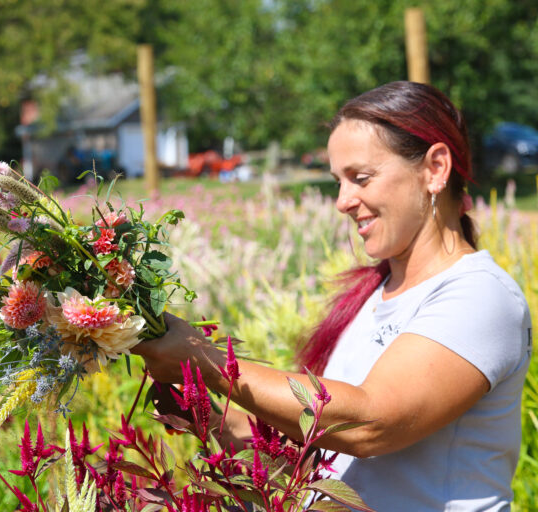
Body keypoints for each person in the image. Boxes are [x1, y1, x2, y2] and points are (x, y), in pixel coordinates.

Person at [132, 81, 532, 511]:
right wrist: (204, 409)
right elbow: (318, 467)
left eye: (361, 178)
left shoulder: (479, 296)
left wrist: (205, 361)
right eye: (338, 181)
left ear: (435, 168)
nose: (343, 202)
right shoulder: (375, 295)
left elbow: (371, 425)